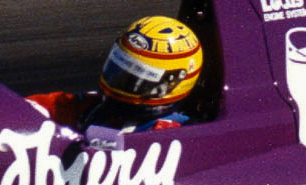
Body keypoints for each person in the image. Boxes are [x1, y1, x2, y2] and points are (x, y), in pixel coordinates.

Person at [27, 16, 204, 133]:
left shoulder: (172, 132)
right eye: (119, 68)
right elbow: (40, 107)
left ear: (173, 83)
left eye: (137, 79)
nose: (120, 81)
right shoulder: (93, 108)